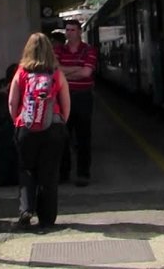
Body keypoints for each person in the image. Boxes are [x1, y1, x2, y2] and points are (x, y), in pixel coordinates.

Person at [8, 33, 70, 228]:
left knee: (27, 170)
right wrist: (60, 122)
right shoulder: (56, 73)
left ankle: (26, 210)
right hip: (53, 128)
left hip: (25, 129)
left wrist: (19, 122)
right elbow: (66, 103)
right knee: (49, 174)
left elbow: (12, 102)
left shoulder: (21, 72)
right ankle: (47, 218)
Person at [56, 19, 98, 187]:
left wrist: (65, 72)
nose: (69, 33)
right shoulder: (58, 50)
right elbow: (55, 70)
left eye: (72, 30)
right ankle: (63, 172)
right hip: (63, 96)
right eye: (67, 30)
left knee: (83, 137)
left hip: (83, 96)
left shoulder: (89, 50)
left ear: (80, 32)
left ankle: (83, 173)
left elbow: (87, 73)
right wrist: (76, 69)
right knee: (62, 136)